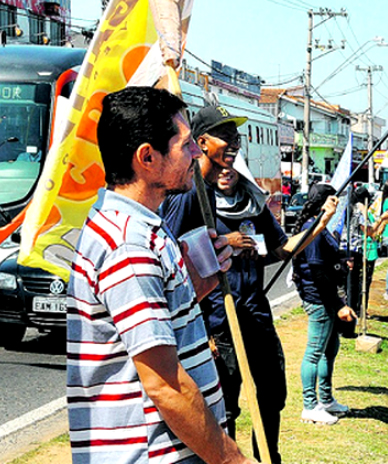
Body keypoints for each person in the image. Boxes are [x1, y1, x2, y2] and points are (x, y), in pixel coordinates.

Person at [66, 87, 256, 464]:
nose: (197, 154)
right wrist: (233, 460)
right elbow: (164, 384)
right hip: (151, 454)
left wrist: (194, 288)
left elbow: (146, 330)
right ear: (147, 157)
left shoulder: (142, 226)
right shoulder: (128, 245)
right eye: (185, 145)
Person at [159, 105, 338, 464]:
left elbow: (280, 249)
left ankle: (268, 457)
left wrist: (320, 224)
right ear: (202, 142)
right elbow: (168, 252)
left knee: (271, 391)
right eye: (227, 135)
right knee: (224, 400)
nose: (235, 143)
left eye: (237, 136)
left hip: (254, 312)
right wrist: (224, 244)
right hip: (215, 319)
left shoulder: (245, 202)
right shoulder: (187, 193)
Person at [292, 183, 357, 425]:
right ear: (322, 204)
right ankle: (310, 405)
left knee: (330, 349)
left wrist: (342, 259)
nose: (337, 205)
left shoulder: (321, 229)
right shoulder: (314, 231)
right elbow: (318, 273)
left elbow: (327, 263)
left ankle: (327, 399)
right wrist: (339, 304)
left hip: (326, 297)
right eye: (334, 201)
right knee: (314, 353)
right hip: (319, 299)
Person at [338, 185, 388, 334]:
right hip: (354, 250)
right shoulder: (359, 210)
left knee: (344, 287)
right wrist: (382, 220)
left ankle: (344, 324)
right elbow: (369, 232)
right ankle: (348, 327)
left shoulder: (346, 208)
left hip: (342, 249)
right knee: (352, 287)